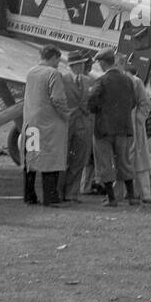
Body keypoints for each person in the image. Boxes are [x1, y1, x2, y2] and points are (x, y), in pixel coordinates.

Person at [86, 49, 139, 207]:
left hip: (103, 128)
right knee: (124, 161)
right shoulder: (128, 80)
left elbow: (91, 101)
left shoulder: (101, 81)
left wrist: (98, 111)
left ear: (103, 63)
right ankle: (131, 197)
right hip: (123, 127)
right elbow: (133, 102)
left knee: (104, 163)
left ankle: (111, 198)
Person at [22, 44, 71, 206]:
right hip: (50, 123)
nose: (58, 63)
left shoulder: (31, 72)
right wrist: (66, 115)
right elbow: (58, 98)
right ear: (53, 57)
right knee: (51, 159)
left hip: (31, 122)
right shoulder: (53, 73)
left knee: (31, 158)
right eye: (58, 59)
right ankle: (50, 197)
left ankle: (29, 196)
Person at [59, 54, 94, 203]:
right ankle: (59, 192)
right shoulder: (62, 79)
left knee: (79, 159)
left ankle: (72, 193)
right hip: (67, 122)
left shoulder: (87, 80)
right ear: (71, 65)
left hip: (84, 124)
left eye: (82, 64)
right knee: (63, 158)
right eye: (78, 64)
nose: (81, 66)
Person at [123, 55, 151, 204]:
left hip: (135, 125)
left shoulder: (135, 82)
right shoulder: (125, 80)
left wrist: (139, 120)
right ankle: (126, 192)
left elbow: (145, 104)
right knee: (124, 159)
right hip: (124, 124)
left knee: (140, 161)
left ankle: (145, 193)